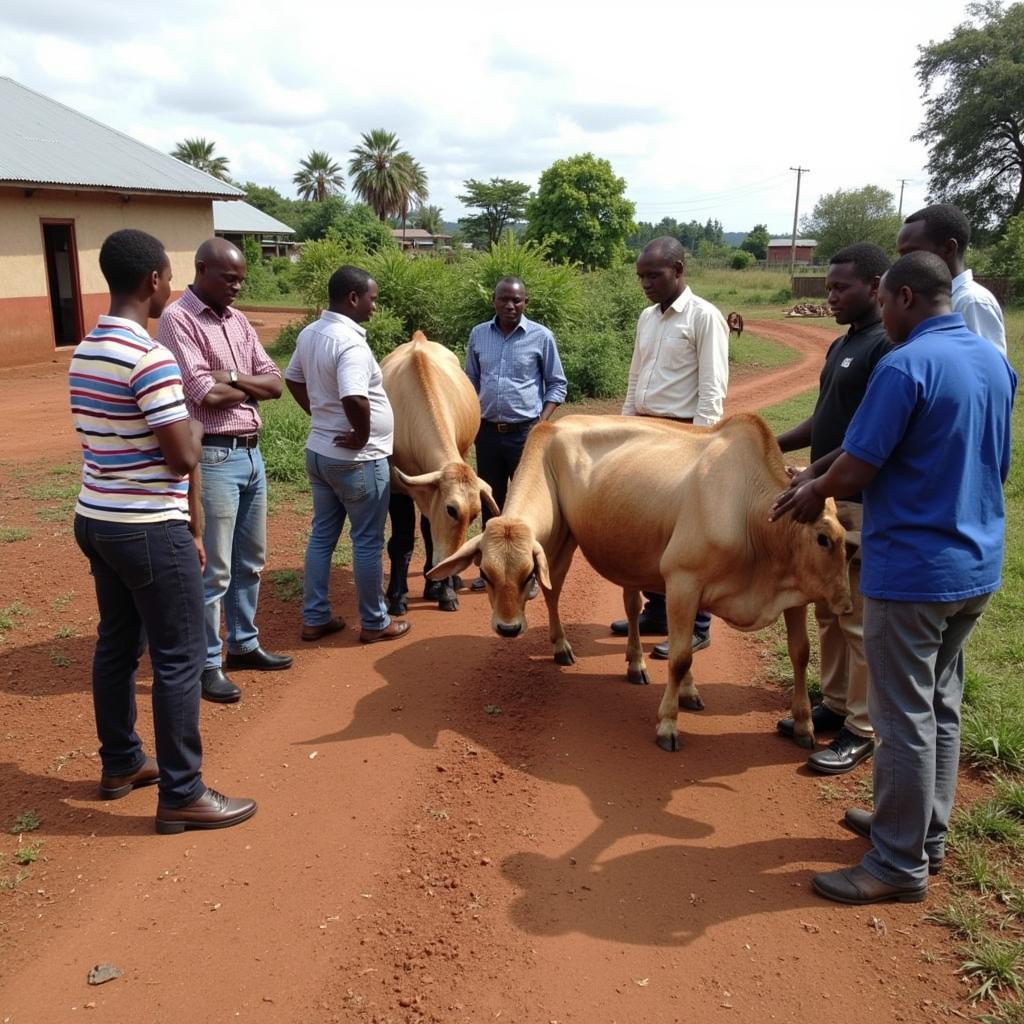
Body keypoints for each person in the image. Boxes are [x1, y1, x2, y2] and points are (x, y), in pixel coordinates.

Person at [771, 252, 1016, 905]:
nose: (879, 310)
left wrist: (811, 489)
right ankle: (922, 833)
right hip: (977, 565)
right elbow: (1001, 463)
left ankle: (897, 863)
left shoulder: (905, 364)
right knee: (938, 705)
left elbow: (857, 466)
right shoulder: (995, 361)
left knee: (902, 714)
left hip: (913, 570)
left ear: (905, 297)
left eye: (884, 300)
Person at [70, 228, 256, 833]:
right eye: (167, 278)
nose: (168, 287)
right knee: (177, 658)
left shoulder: (86, 349)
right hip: (149, 524)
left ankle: (121, 763)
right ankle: (182, 792)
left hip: (97, 517)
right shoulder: (150, 359)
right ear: (153, 280)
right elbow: (181, 456)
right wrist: (196, 431)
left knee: (117, 646)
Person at [158, 238, 292, 705]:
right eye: (228, 278)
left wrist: (229, 376)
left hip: (252, 454)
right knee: (214, 567)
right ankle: (207, 663)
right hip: (214, 456)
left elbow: (275, 383)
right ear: (200, 270)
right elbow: (201, 394)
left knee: (250, 561)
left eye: (241, 279)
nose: (237, 287)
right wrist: (234, 382)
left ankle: (244, 644)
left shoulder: (237, 320)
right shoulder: (179, 320)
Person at [774, 243, 891, 774]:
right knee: (826, 606)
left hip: (859, 500)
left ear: (876, 286)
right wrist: (768, 444)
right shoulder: (842, 344)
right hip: (826, 496)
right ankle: (836, 702)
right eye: (827, 287)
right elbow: (823, 421)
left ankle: (861, 728)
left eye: (841, 287)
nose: (830, 297)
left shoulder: (884, 348)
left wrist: (817, 474)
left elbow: (868, 439)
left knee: (857, 616)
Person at [609, 236, 729, 659]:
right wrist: (623, 431)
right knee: (647, 530)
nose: (645, 284)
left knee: (688, 537)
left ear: (679, 270)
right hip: (643, 433)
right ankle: (657, 610)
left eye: (654, 275)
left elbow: (712, 391)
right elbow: (634, 377)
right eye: (641, 276)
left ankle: (697, 625)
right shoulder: (647, 317)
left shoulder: (704, 318)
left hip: (683, 438)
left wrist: (700, 450)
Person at [284, 266, 410, 644]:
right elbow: (354, 396)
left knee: (322, 536)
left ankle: (315, 617)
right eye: (372, 298)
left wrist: (319, 417)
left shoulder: (311, 333)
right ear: (353, 298)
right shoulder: (350, 343)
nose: (375, 305)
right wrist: (362, 433)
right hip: (359, 462)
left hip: (320, 454)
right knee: (368, 541)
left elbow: (292, 378)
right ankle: (374, 622)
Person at [465, 276, 567, 593]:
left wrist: (540, 423)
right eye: (504, 299)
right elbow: (469, 382)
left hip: (526, 434)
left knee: (528, 507)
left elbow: (557, 384)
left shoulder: (541, 336)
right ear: (493, 301)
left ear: (526, 303)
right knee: (492, 504)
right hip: (487, 433)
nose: (510, 305)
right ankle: (490, 570)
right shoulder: (479, 335)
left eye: (517, 300)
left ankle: (530, 572)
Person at [897, 203, 1006, 354]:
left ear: (948, 248)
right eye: (901, 255)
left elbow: (987, 370)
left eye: (911, 253)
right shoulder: (928, 300)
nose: (903, 263)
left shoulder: (971, 302)